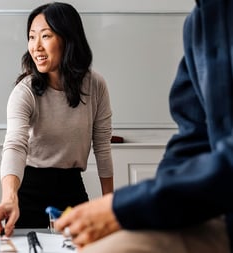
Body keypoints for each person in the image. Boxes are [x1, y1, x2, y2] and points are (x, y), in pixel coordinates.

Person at [55, 0, 233, 252]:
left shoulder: (95, 85)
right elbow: (192, 141)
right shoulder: (201, 21)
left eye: (46, 35)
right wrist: (140, 213)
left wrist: (125, 207)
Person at [0, 2, 114, 236]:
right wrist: (9, 198)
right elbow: (15, 145)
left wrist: (110, 205)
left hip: (72, 188)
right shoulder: (24, 91)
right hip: (30, 188)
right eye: (31, 37)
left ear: (68, 39)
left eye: (45, 36)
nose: (36, 47)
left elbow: (102, 145)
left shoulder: (95, 85)